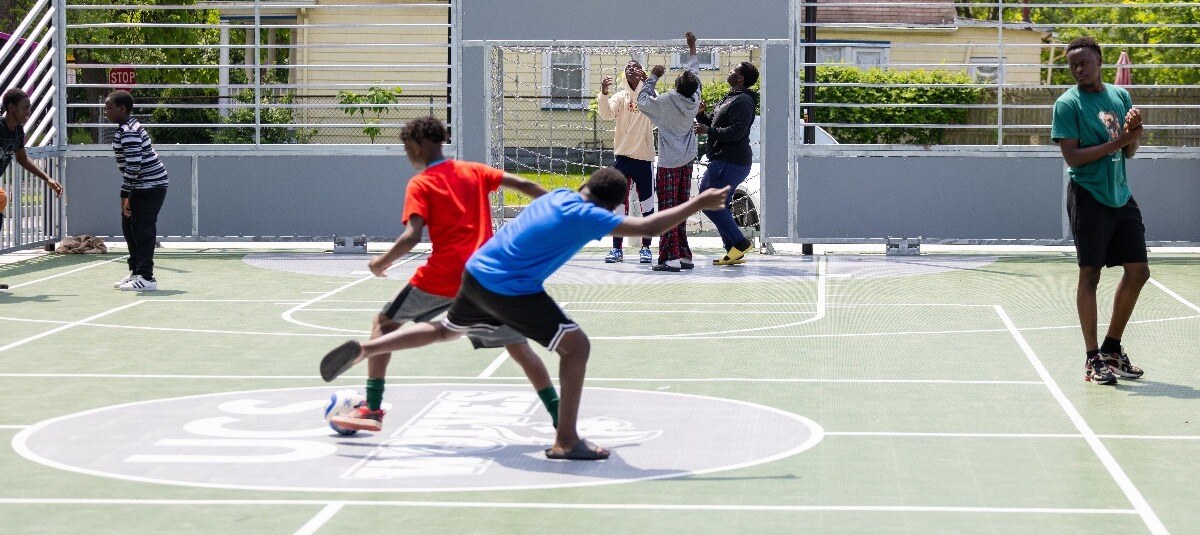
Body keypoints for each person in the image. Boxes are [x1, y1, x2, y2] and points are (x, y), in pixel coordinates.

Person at [320, 168, 730, 460]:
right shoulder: (589, 216)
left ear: (584, 184)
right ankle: (566, 440)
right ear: (614, 204)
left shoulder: (559, 196)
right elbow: (650, 228)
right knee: (576, 346)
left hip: (477, 271)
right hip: (509, 286)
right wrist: (699, 201)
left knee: (445, 329)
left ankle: (368, 348)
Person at [329, 116, 561, 432]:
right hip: (488, 275)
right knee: (519, 348)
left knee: (384, 325)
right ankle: (561, 418)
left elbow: (412, 236)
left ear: (417, 144)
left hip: (445, 274)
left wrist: (379, 262)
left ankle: (372, 408)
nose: (407, 154)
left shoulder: (421, 183)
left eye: (406, 147)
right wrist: (560, 212)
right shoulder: (475, 171)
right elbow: (526, 185)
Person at [1051, 36, 1147, 386]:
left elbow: (1130, 153)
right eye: (1073, 64)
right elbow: (1072, 157)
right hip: (1088, 195)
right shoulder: (1067, 104)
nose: (1079, 69)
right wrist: (1120, 141)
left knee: (1139, 272)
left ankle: (1111, 349)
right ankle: (1092, 359)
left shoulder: (1120, 96)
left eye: (1084, 62)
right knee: (1090, 275)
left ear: (1099, 61)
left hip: (1121, 195)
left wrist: (1133, 133)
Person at [638, 32, 703, 272]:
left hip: (668, 163)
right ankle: (684, 255)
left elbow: (643, 101)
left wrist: (653, 77)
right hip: (687, 160)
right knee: (682, 208)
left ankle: (669, 258)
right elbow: (694, 72)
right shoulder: (694, 98)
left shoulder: (665, 102)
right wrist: (692, 47)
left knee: (666, 211)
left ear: (676, 85)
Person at [695, 61, 759, 265]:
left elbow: (737, 131)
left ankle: (740, 242)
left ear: (740, 78)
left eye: (733, 70)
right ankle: (733, 249)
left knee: (707, 199)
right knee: (719, 205)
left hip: (731, 161)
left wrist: (708, 131)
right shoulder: (730, 98)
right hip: (723, 159)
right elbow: (714, 123)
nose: (729, 71)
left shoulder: (743, 101)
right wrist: (701, 116)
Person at [1, 88, 64, 291]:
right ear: (11, 108)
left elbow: (21, 158)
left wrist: (47, 179)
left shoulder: (18, 130)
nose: (29, 111)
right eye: (25, 108)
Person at [104, 90, 168, 292]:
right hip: (139, 186)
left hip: (150, 186)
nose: (106, 112)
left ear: (122, 109)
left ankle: (147, 277)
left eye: (109, 108)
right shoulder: (125, 128)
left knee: (142, 230)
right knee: (129, 228)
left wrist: (125, 193)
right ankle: (137, 272)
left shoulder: (129, 131)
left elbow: (134, 165)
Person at [597, 58, 657, 264]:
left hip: (644, 158)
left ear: (642, 72)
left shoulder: (649, 95)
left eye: (636, 66)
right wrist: (603, 94)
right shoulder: (620, 96)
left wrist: (649, 84)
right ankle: (616, 249)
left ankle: (646, 248)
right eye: (628, 67)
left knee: (647, 205)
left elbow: (657, 114)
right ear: (624, 74)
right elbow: (605, 114)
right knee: (618, 204)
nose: (632, 68)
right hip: (622, 158)